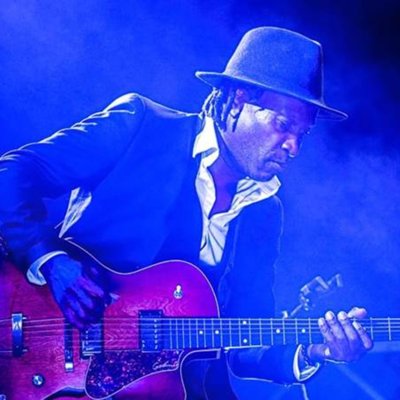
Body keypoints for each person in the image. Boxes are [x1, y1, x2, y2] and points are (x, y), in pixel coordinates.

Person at [0, 27, 372, 399]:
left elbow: (246, 337)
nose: (293, 146)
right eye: (283, 125)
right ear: (238, 100)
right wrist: (50, 261)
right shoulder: (142, 125)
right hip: (52, 365)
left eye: (302, 134)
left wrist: (312, 351)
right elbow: (11, 175)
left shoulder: (264, 213)